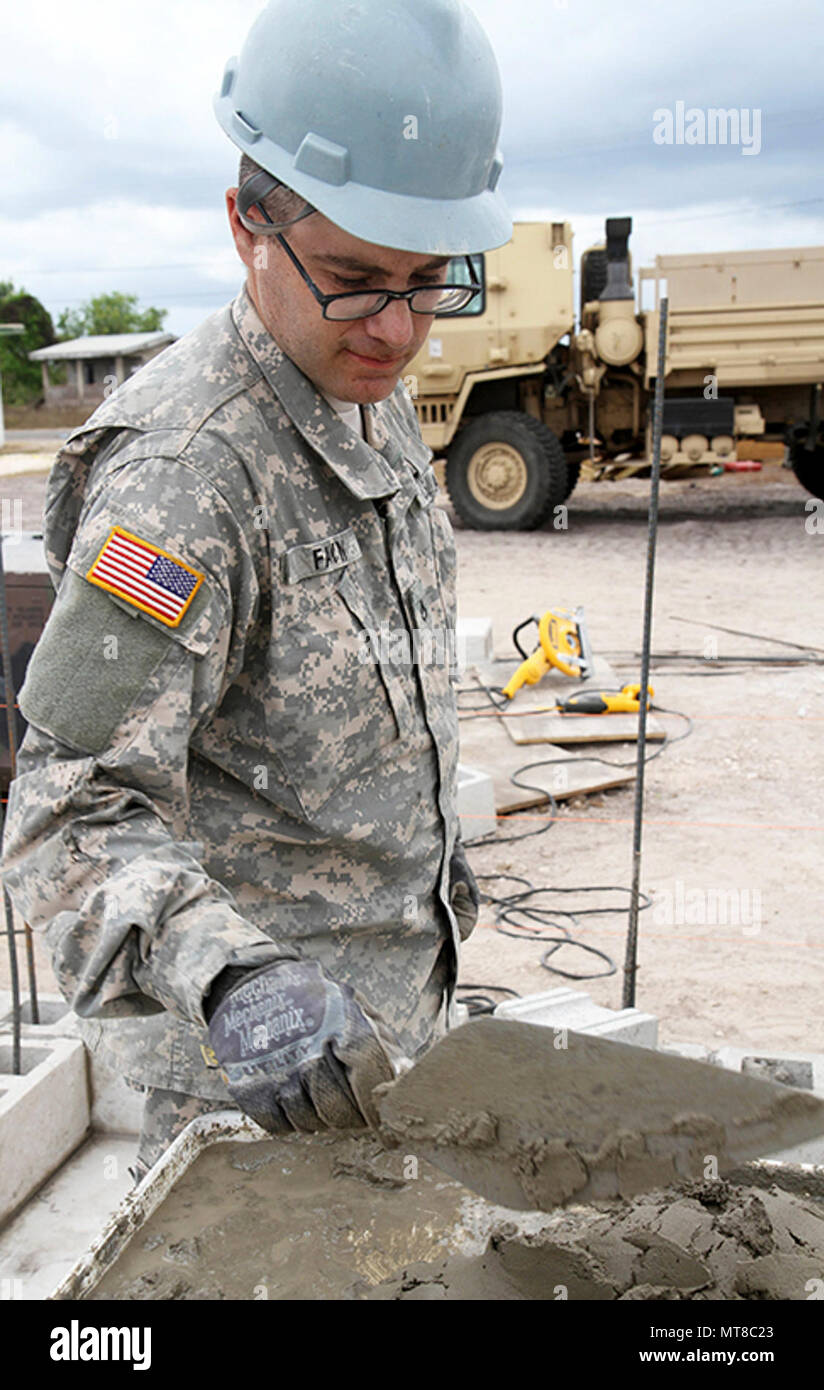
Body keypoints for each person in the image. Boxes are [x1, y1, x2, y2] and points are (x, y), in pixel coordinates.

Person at [0, 0, 512, 1183]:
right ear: (247, 224)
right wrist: (235, 978)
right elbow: (65, 815)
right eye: (351, 278)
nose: (395, 327)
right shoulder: (184, 479)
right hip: (254, 1102)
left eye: (429, 280)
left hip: (395, 1045)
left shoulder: (366, 395)